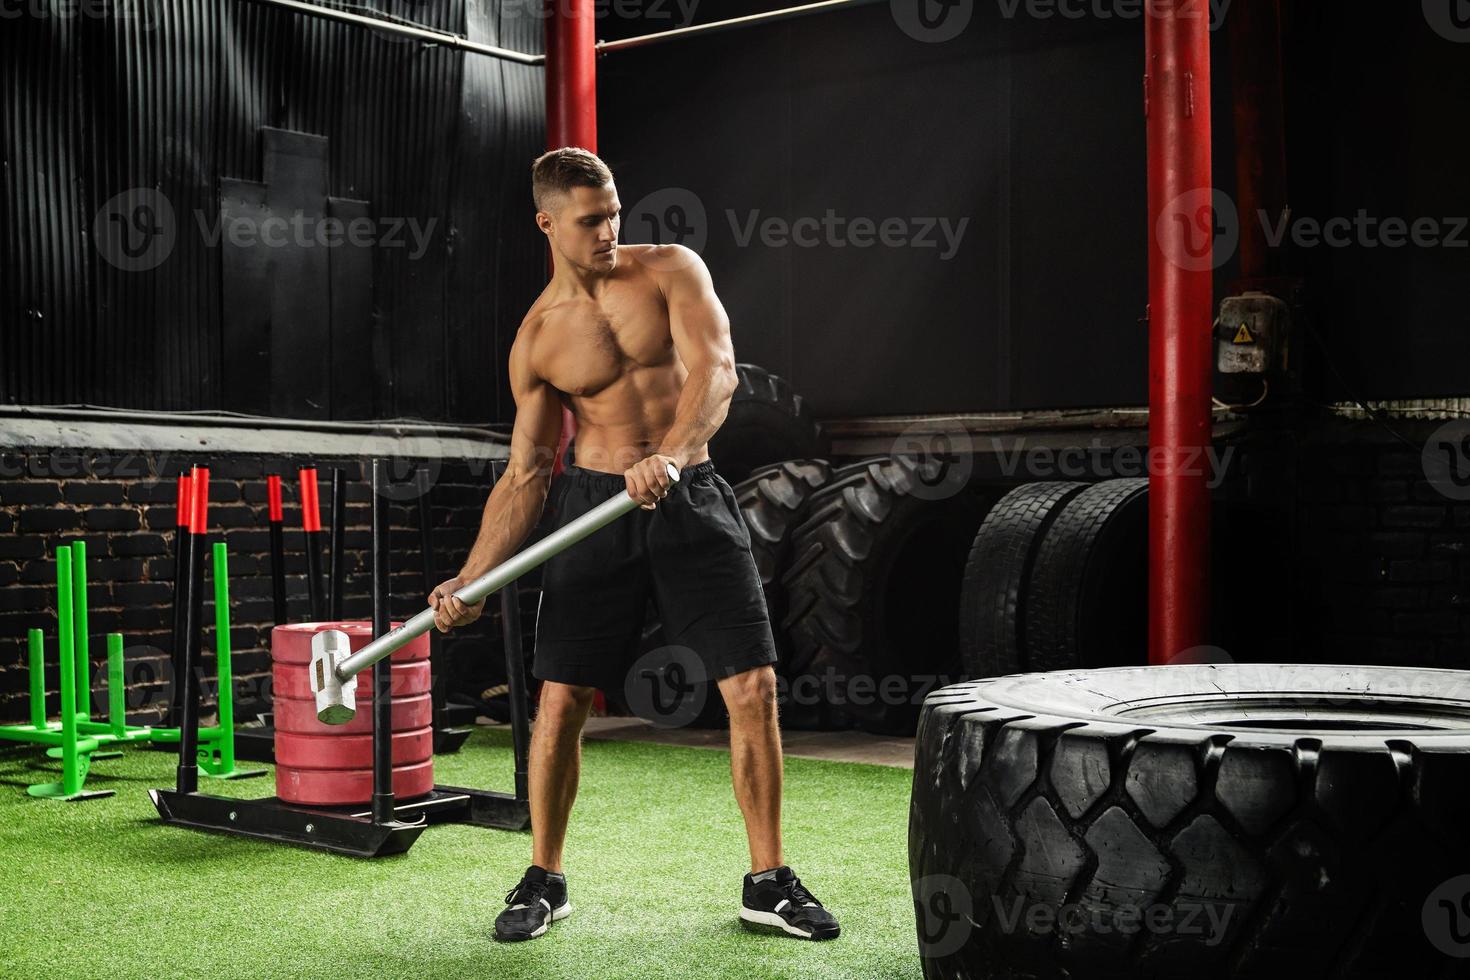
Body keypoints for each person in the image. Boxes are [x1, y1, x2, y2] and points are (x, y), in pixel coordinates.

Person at [428, 147, 840, 944]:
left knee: (752, 685)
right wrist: (472, 578)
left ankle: (769, 880)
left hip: (690, 494)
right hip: (593, 507)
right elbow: (525, 474)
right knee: (561, 699)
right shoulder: (539, 339)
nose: (610, 229)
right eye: (590, 220)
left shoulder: (670, 271)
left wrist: (675, 454)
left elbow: (718, 372)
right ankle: (545, 878)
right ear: (547, 224)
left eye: (615, 211)